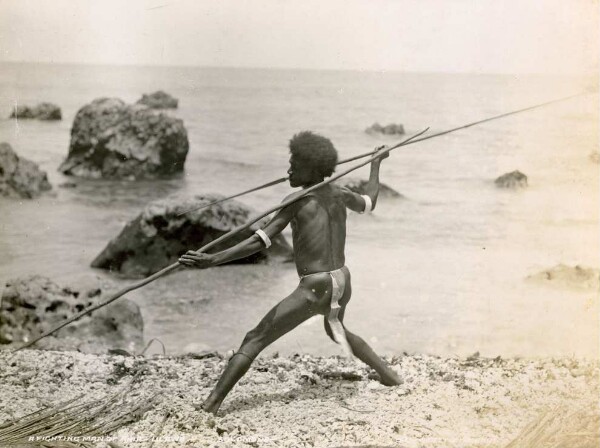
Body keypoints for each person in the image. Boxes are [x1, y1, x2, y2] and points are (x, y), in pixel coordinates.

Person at [179, 131, 402, 415]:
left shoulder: (296, 200)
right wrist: (375, 163)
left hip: (315, 286)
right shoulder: (340, 193)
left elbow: (258, 242)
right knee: (338, 331)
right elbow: (370, 201)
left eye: (294, 165)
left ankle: (209, 406)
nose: (288, 170)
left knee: (254, 338)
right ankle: (390, 377)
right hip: (342, 280)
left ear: (311, 168)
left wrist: (213, 259)